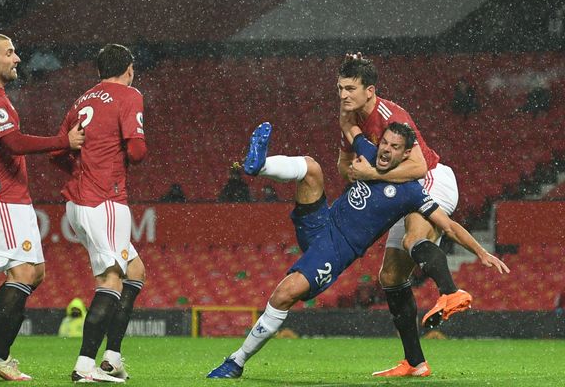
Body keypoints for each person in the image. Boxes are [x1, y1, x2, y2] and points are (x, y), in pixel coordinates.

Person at [207, 121, 509, 379]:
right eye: (385, 142)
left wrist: (479, 251)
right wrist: (351, 81)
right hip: (321, 222)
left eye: (394, 146)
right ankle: (259, 166)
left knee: (284, 294)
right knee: (311, 168)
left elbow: (449, 225)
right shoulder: (369, 153)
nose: (386, 149)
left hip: (337, 250)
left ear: (407, 154)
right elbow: (350, 126)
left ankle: (236, 361)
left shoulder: (411, 192)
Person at [0, 33, 84, 381]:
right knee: (23, 274)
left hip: (13, 195)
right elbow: (12, 142)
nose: (17, 59)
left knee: (35, 272)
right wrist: (64, 142)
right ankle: (0, 357)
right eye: (10, 53)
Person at [335, 54, 468, 376]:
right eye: (339, 88)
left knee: (413, 238)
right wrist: (353, 171)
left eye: (350, 88)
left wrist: (371, 176)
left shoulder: (391, 115)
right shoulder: (351, 122)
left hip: (431, 178)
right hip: (401, 188)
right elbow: (344, 166)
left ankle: (452, 293)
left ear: (370, 90)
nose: (343, 95)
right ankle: (415, 363)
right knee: (391, 278)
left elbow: (419, 166)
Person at [57, 44, 147, 383]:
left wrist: (82, 166)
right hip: (105, 200)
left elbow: (57, 149)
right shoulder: (129, 95)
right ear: (129, 69)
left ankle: (112, 356)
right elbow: (137, 152)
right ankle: (84, 364)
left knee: (135, 271)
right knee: (111, 279)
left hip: (78, 203)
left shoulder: (81, 101)